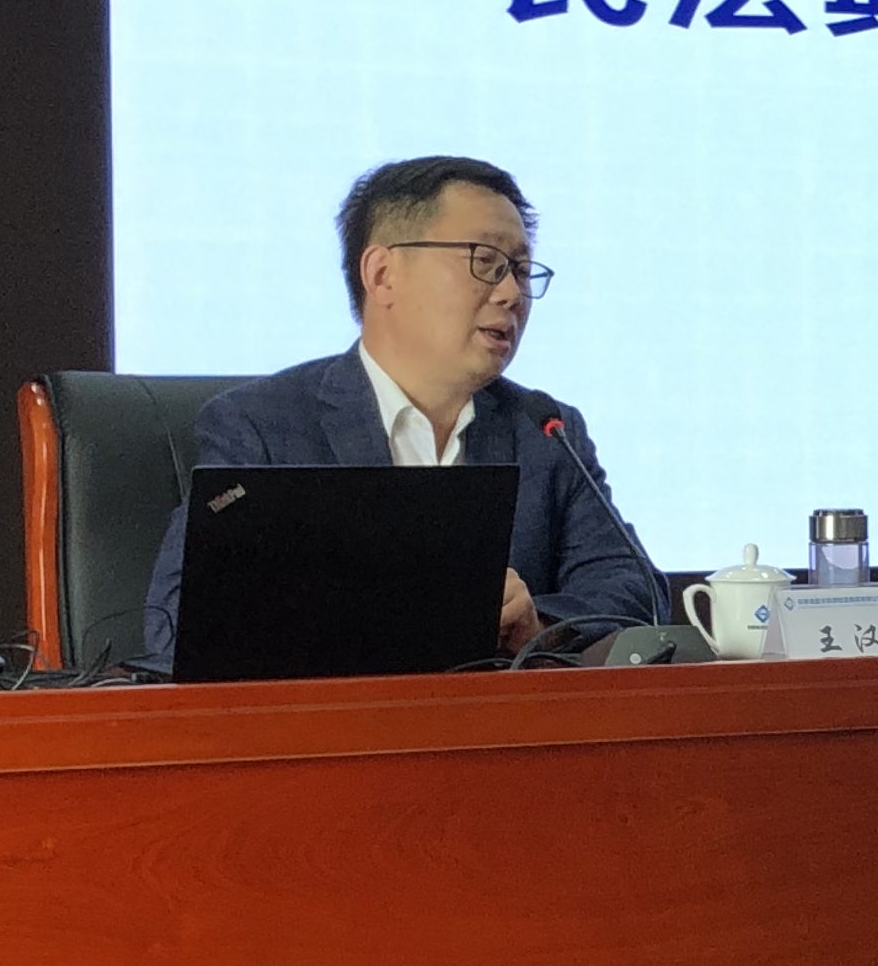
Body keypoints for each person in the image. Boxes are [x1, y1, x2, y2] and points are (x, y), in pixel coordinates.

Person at [142, 155, 662, 666]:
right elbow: (176, 622)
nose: (511, 294)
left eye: (521, 271)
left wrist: (537, 627)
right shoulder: (262, 427)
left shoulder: (545, 432)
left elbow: (636, 592)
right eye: (486, 262)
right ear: (382, 273)